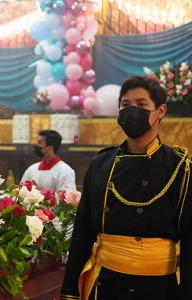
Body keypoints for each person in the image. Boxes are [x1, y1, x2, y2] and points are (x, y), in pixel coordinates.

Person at [60, 75, 192, 300]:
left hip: (156, 289)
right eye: (125, 105)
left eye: (141, 105)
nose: (132, 111)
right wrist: (70, 292)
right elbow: (83, 234)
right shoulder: (101, 163)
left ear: (160, 111)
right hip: (103, 286)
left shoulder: (180, 167)